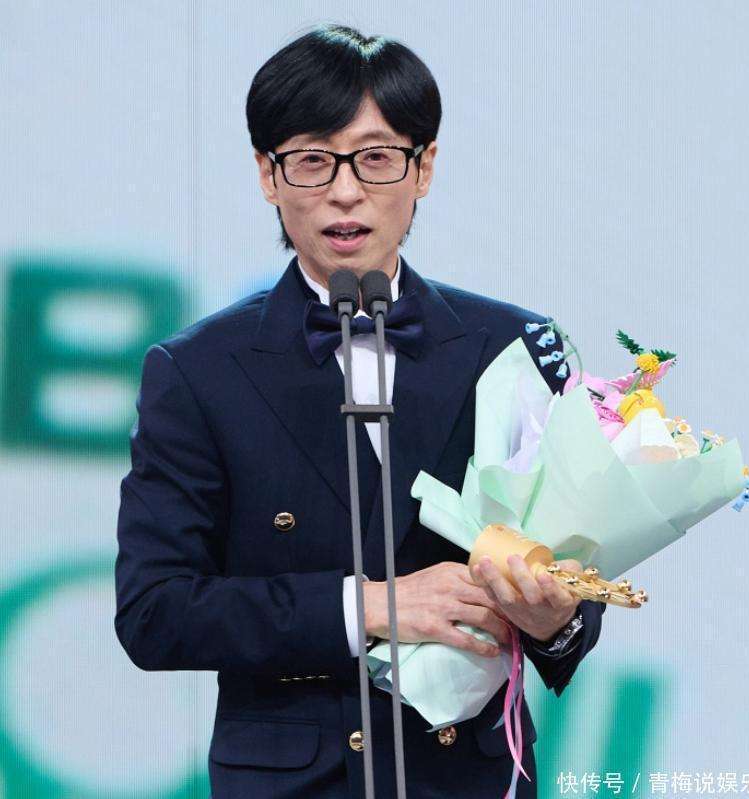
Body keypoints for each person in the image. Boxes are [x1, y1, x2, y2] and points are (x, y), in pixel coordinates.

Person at [113, 23, 605, 798]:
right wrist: (369, 605)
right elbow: (155, 611)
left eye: (376, 158)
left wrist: (555, 617)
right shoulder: (198, 371)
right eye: (313, 160)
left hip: (466, 776)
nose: (345, 191)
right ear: (268, 174)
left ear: (424, 166)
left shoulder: (512, 347)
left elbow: (571, 604)